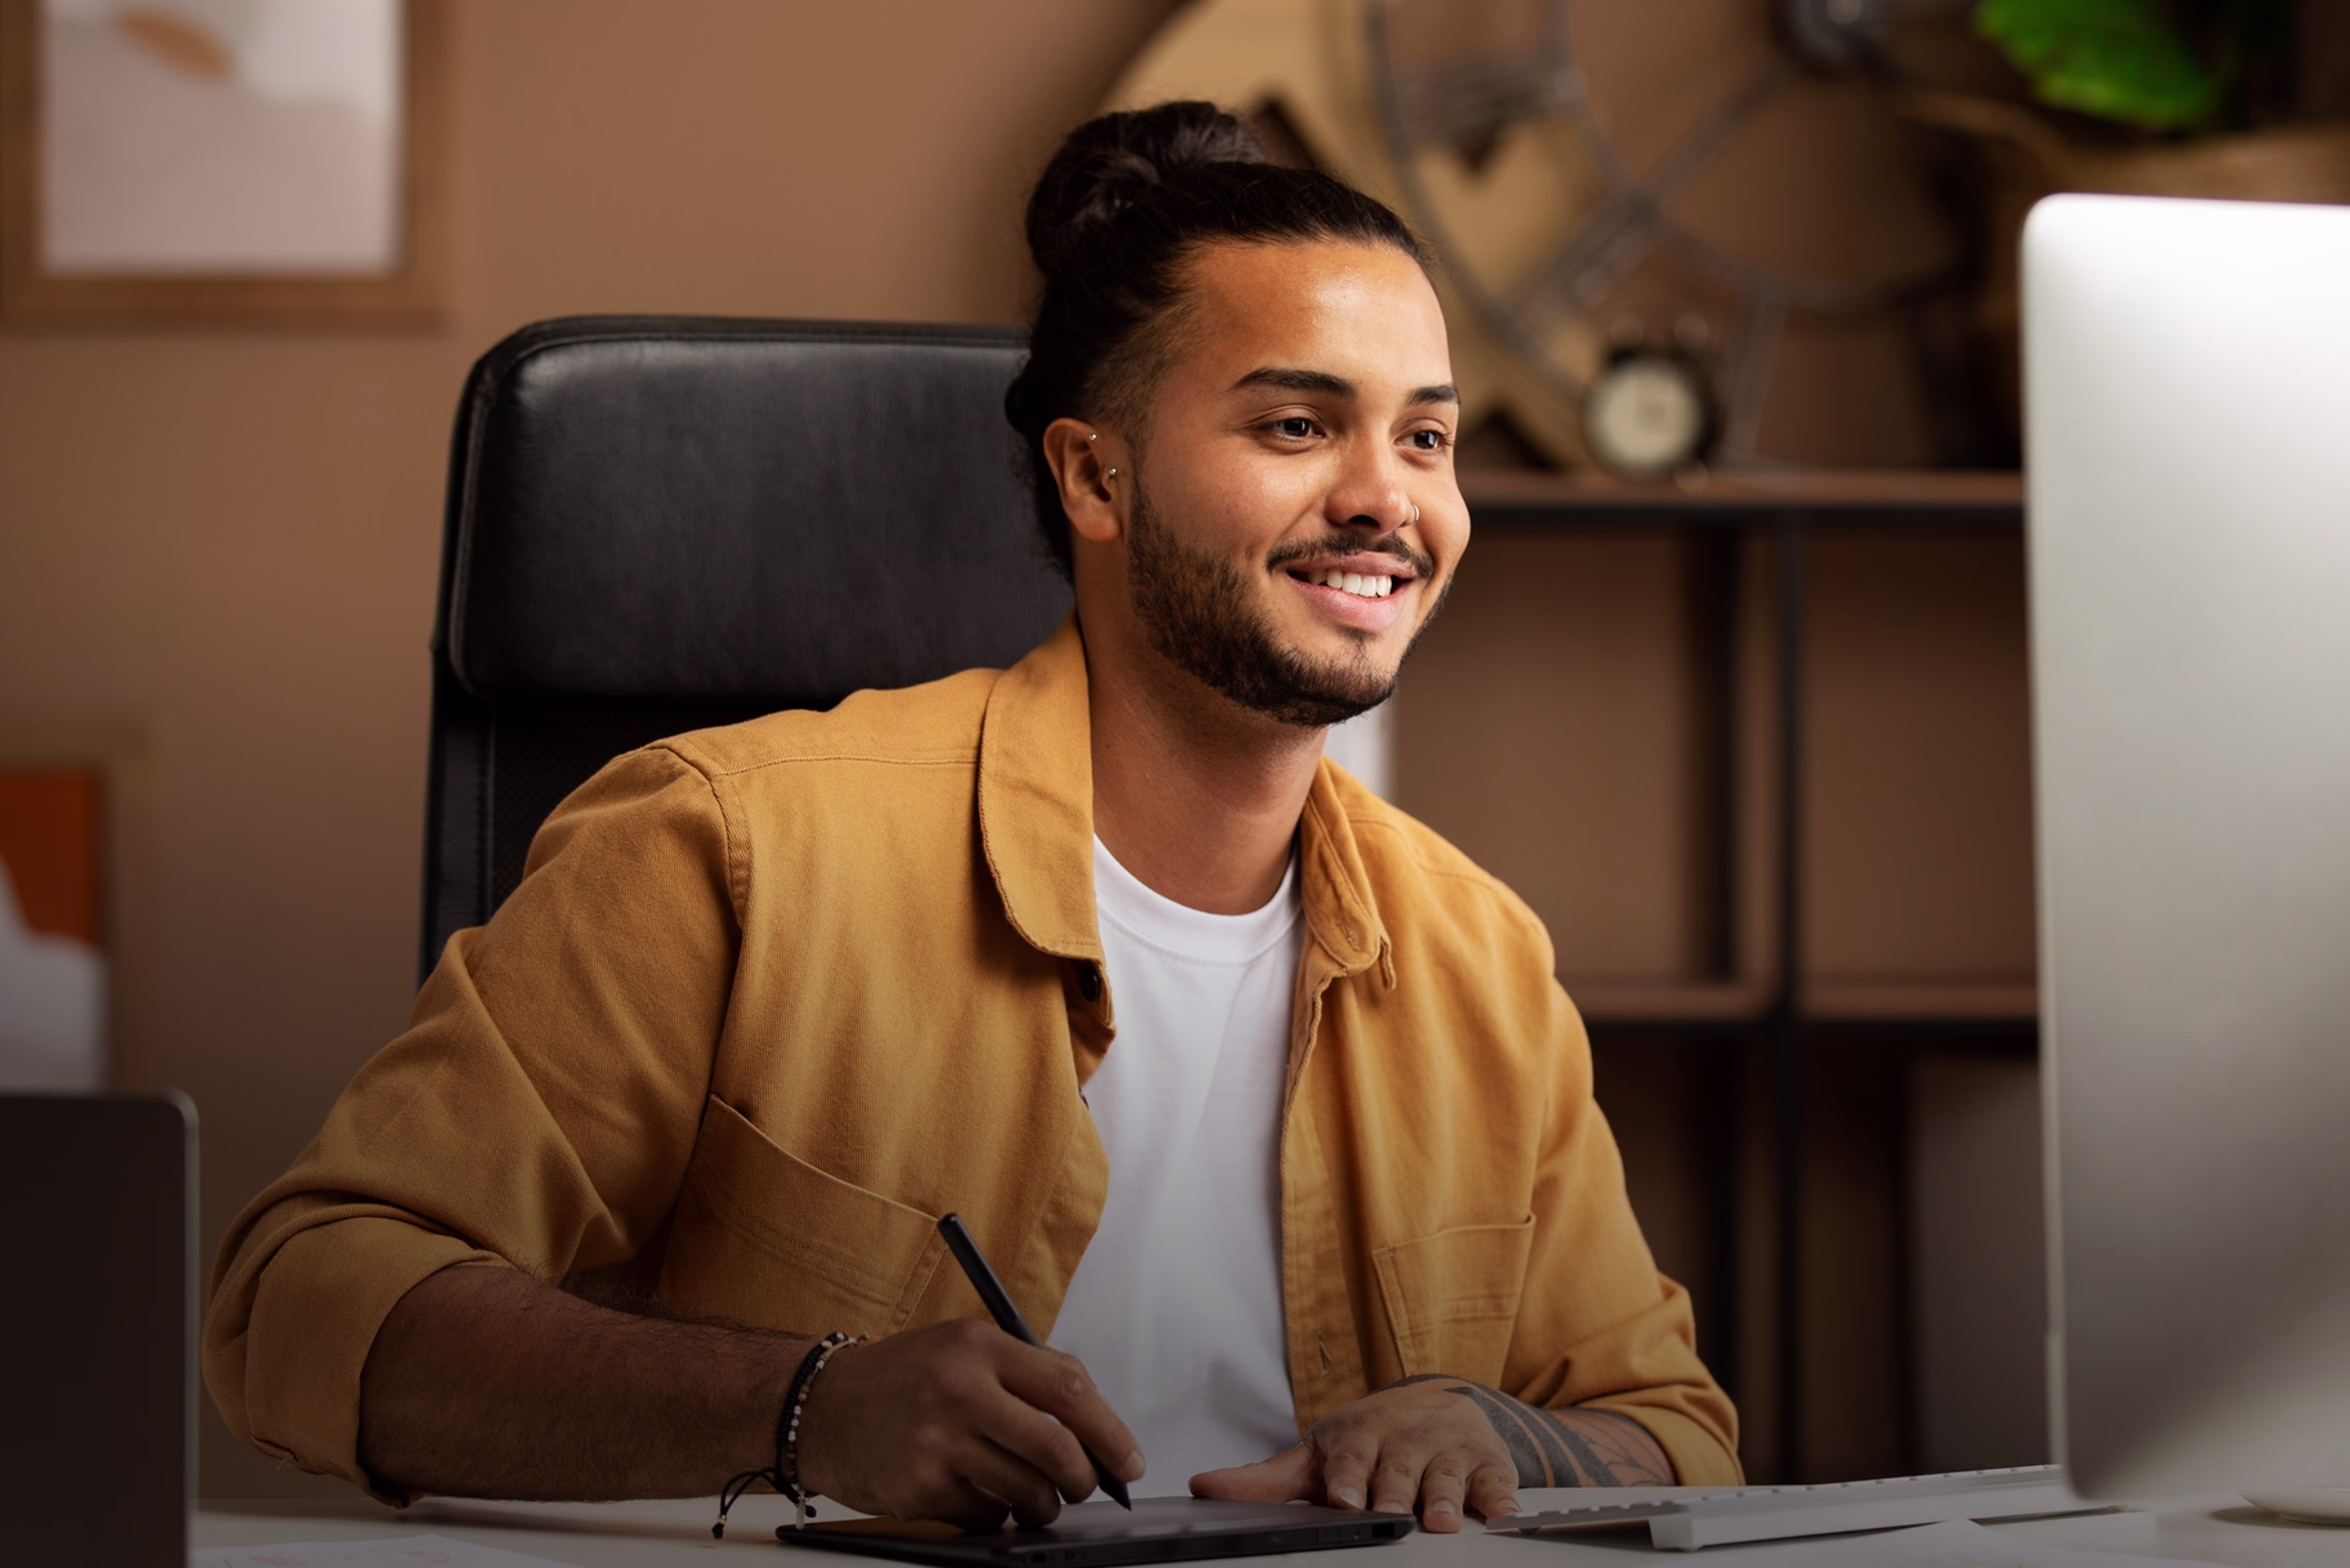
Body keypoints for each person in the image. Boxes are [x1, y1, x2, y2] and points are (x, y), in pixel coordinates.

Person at [204, 101, 1740, 1535]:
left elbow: (1673, 1427)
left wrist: (1496, 1427)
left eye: (1425, 436)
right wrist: (803, 1406)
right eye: (1295, 425)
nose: (1387, 499)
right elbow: (302, 1296)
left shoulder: (1482, 958)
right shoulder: (728, 848)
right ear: (1094, 473)